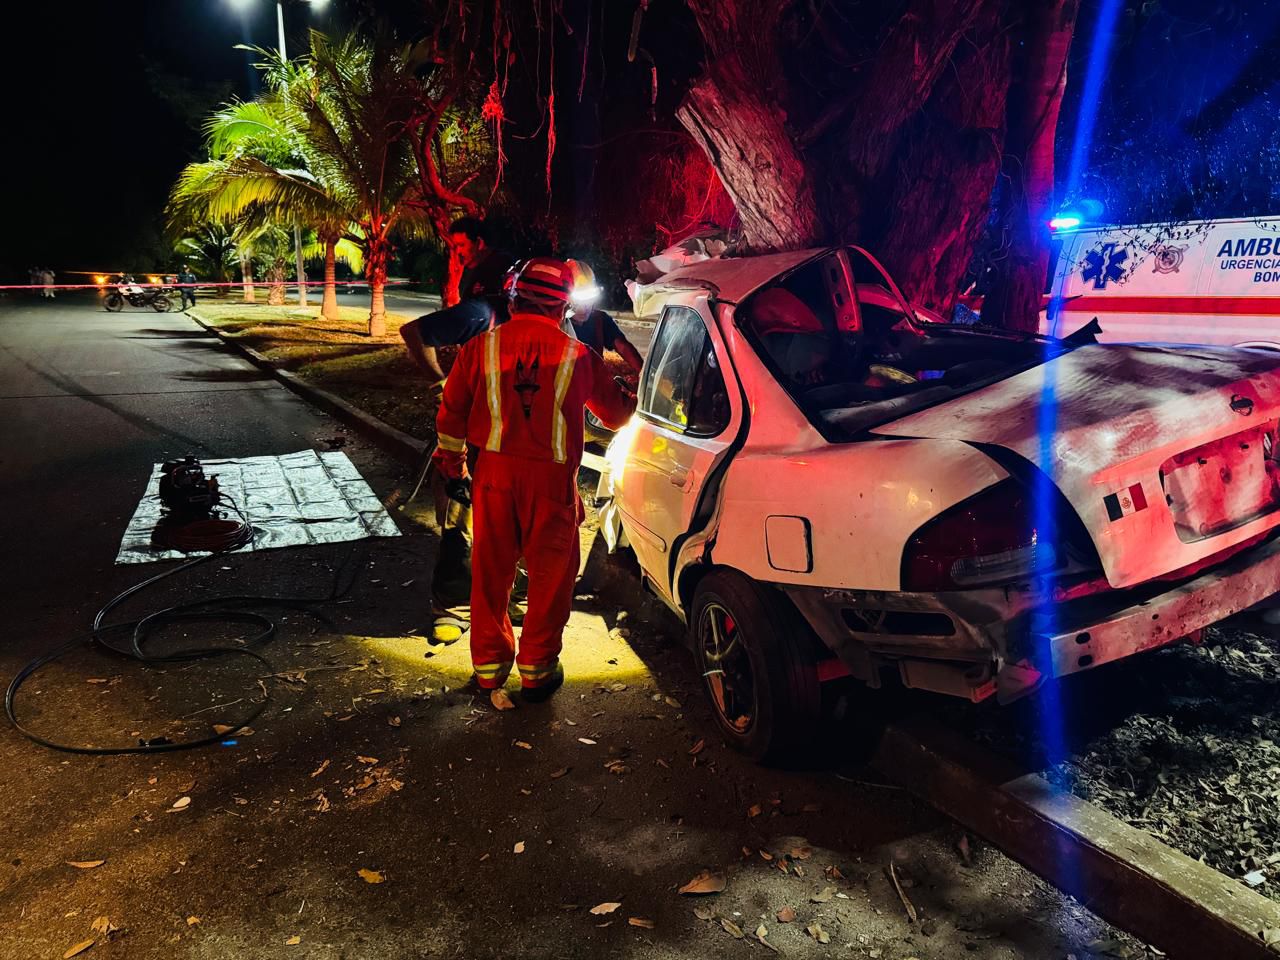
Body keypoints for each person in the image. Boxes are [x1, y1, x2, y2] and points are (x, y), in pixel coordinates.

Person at [432, 257, 636, 701]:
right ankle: (537, 671)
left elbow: (450, 415)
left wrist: (452, 465)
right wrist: (633, 392)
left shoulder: (479, 349)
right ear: (563, 307)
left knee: (490, 576)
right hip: (551, 484)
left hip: (492, 479)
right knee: (550, 578)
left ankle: (488, 670)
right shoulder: (578, 355)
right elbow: (618, 416)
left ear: (513, 298)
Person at [400, 217, 514, 384]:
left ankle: (441, 388)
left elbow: (412, 332)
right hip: (490, 376)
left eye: (462, 245)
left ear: (479, 243)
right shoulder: (479, 270)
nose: (458, 252)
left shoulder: (500, 268)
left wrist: (441, 386)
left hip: (490, 356)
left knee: (413, 332)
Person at [564, 261, 644, 374]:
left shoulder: (599, 320)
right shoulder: (558, 324)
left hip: (592, 386)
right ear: (565, 299)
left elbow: (622, 346)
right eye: (578, 301)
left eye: (589, 298)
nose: (585, 307)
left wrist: (643, 373)